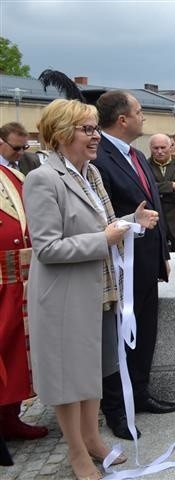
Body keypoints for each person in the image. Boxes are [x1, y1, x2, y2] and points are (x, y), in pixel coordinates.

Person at [24, 98, 160, 479]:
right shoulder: (43, 178)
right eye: (87, 129)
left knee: (96, 368)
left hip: (100, 289)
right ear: (62, 133)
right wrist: (106, 237)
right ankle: (77, 452)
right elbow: (48, 248)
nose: (95, 136)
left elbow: (101, 224)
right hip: (65, 296)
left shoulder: (91, 173)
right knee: (69, 377)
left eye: (95, 128)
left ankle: (94, 440)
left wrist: (130, 220)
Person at [93, 91, 175, 441]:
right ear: (122, 119)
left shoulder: (136, 156)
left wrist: (164, 254)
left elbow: (153, 204)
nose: (144, 117)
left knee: (144, 335)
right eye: (140, 111)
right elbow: (105, 215)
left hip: (146, 263)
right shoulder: (100, 158)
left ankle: (140, 394)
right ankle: (115, 408)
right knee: (117, 340)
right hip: (119, 267)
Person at [0, 151, 48, 443]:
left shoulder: (13, 175)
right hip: (6, 279)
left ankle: (8, 417)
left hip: (20, 280)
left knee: (16, 356)